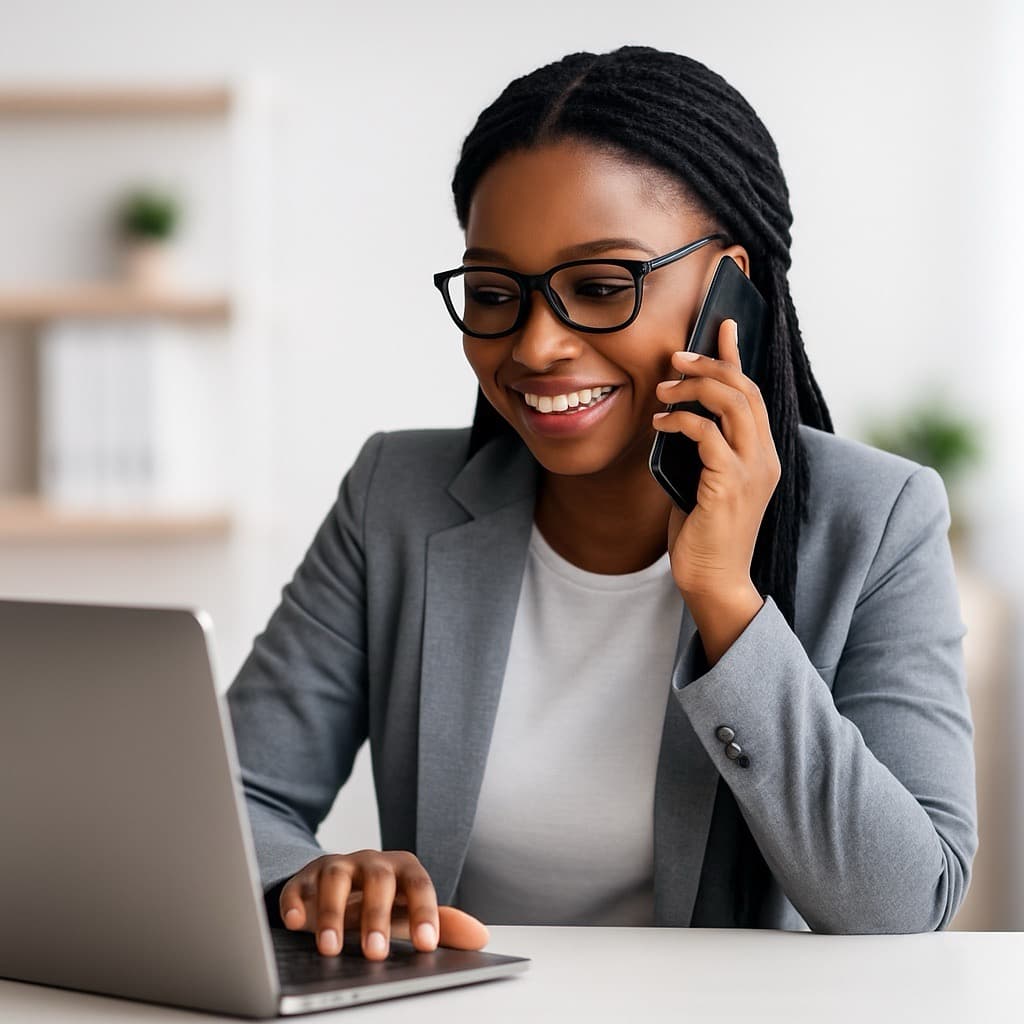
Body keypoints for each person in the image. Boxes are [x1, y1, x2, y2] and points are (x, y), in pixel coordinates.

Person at [225, 45, 977, 961]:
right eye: (497, 292)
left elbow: (907, 905)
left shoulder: (881, 521)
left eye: (599, 287)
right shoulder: (397, 499)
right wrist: (309, 883)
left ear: (725, 287)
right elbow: (231, 797)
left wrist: (728, 606)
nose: (537, 345)